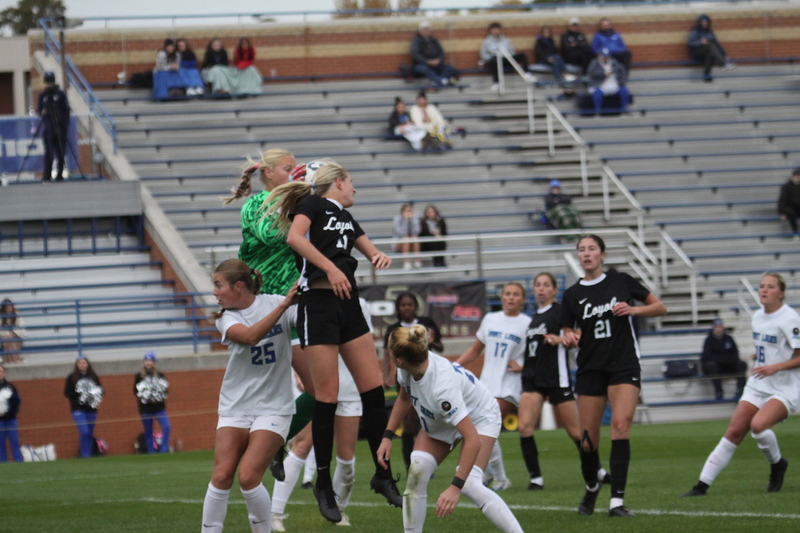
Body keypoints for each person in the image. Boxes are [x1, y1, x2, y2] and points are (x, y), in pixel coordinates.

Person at [265, 161, 402, 522]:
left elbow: (367, 249)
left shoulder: (345, 216)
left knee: (373, 393)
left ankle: (383, 474)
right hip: (318, 306)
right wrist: (331, 267)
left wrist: (376, 255)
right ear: (338, 182)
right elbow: (293, 238)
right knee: (327, 398)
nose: (355, 189)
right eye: (351, 181)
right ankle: (323, 486)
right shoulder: (311, 204)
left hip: (348, 305)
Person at [378, 325, 524, 533]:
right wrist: (387, 436)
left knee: (471, 484)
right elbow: (404, 398)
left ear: (399, 359)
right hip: (442, 417)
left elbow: (472, 440)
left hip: (479, 416)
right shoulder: (405, 370)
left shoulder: (442, 387)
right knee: (417, 472)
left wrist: (455, 487)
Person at [560, 234, 667, 517]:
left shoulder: (620, 280)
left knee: (620, 425)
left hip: (623, 364)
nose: (586, 254)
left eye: (591, 249)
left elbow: (660, 306)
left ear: (602, 255)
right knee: (588, 440)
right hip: (591, 367)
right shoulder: (572, 294)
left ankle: (617, 502)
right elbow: (568, 330)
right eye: (581, 250)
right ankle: (593, 487)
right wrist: (570, 337)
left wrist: (634, 309)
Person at [201, 259, 298, 533]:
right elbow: (250, 337)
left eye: (218, 285)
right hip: (235, 405)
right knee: (221, 476)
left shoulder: (276, 302)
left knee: (248, 476)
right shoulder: (227, 317)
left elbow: (308, 321)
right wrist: (285, 306)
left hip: (275, 406)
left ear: (238, 286)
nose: (215, 292)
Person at [682, 272, 800, 497]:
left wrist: (775, 367)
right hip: (758, 384)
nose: (764, 290)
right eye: (761, 286)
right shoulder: (757, 317)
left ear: (781, 293)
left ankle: (777, 464)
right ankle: (701, 486)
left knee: (757, 426)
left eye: (770, 287)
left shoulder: (789, 318)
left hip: (783, 388)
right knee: (734, 431)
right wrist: (762, 359)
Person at [272, 298, 373, 531]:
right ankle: (274, 513)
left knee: (347, 461)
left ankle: (338, 510)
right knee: (301, 446)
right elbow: (300, 341)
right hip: (321, 387)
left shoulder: (360, 304)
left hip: (349, 389)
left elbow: (366, 346)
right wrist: (302, 372)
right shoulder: (312, 302)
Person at [518, 273, 609, 490]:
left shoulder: (560, 311)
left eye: (546, 285)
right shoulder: (532, 318)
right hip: (532, 378)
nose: (541, 289)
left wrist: (560, 340)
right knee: (524, 427)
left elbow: (578, 336)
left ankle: (597, 471)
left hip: (556, 377)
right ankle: (535, 479)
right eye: (537, 285)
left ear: (554, 290)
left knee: (577, 432)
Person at [456, 282, 531, 491]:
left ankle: (500, 478)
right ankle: (489, 472)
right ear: (502, 296)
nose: (511, 298)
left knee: (484, 426)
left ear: (523, 300)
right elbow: (475, 350)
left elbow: (537, 355)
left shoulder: (527, 324)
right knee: (476, 428)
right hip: (486, 384)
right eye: (507, 294)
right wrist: (454, 366)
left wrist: (522, 366)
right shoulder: (490, 319)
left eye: (516, 295)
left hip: (508, 385)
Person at [382, 292, 444, 471]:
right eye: (403, 305)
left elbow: (440, 345)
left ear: (415, 306)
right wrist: (388, 374)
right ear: (398, 308)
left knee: (426, 421)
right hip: (406, 376)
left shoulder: (426, 324)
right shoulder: (393, 329)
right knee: (408, 422)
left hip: (427, 376)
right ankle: (411, 465)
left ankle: (425, 463)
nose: (407, 308)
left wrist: (432, 341)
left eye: (410, 305)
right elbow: (388, 352)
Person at [64, 355, 103, 458]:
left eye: (84, 362)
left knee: (90, 433)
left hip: (91, 409)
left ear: (88, 364)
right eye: (80, 363)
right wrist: (80, 395)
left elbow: (100, 390)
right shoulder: (71, 377)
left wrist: (93, 395)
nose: (82, 365)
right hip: (78, 409)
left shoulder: (93, 376)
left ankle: (88, 455)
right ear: (77, 365)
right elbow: (67, 392)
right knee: (84, 431)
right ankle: (84, 454)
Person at [134, 351, 171, 454]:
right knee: (148, 431)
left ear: (154, 362)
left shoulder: (160, 375)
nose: (148, 363)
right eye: (146, 360)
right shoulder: (139, 376)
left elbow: (165, 389)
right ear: (144, 362)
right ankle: (151, 452)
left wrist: (156, 396)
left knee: (167, 427)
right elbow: (135, 391)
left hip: (159, 408)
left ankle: (163, 449)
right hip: (146, 409)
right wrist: (146, 395)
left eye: (150, 360)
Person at [701, 318, 746, 401]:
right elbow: (707, 356)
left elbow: (735, 352)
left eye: (720, 327)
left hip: (729, 365)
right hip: (717, 367)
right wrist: (720, 360)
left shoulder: (729, 338)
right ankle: (719, 391)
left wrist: (729, 360)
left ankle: (740, 390)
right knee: (711, 366)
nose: (719, 329)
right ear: (713, 328)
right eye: (717, 327)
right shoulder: (709, 340)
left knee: (742, 364)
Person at [479, 22, 532, 92]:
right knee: (495, 61)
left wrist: (507, 55)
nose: (496, 31)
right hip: (495, 60)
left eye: (497, 29)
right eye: (494, 29)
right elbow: (483, 54)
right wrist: (491, 58)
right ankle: (496, 83)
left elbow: (512, 51)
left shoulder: (506, 41)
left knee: (522, 55)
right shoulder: (487, 42)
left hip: (506, 59)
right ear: (491, 31)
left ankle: (527, 73)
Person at [37, 71, 70, 182]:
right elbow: (39, 110)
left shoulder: (60, 94)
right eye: (47, 82)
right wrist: (43, 112)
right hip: (48, 128)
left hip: (60, 128)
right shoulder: (42, 96)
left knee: (60, 152)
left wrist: (64, 125)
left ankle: (60, 174)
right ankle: (47, 175)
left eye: (50, 82)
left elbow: (66, 111)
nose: (49, 85)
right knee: (49, 152)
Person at [411, 21, 459, 89]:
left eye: (428, 29)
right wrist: (427, 61)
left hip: (437, 64)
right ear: (420, 31)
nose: (426, 31)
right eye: (424, 29)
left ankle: (436, 83)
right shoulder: (416, 41)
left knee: (450, 69)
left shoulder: (434, 40)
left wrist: (438, 60)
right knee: (423, 69)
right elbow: (415, 54)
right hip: (422, 64)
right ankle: (441, 81)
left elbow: (442, 53)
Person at [689, 14, 735, 82]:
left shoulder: (709, 32)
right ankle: (722, 64)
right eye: (703, 22)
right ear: (700, 22)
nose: (705, 24)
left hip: (706, 51)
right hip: (697, 51)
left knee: (710, 53)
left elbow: (717, 43)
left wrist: (724, 54)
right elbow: (691, 42)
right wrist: (700, 42)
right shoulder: (695, 31)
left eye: (706, 22)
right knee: (709, 46)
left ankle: (706, 75)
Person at [587, 50, 630, 115]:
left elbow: (622, 72)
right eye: (603, 57)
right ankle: (598, 111)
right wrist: (603, 74)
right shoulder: (594, 63)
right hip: (600, 85)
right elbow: (591, 73)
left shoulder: (615, 63)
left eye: (607, 57)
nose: (605, 58)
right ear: (599, 56)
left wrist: (621, 81)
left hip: (614, 84)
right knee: (597, 93)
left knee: (624, 90)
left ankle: (624, 109)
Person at [0, 364, 23, 463]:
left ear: (4, 373)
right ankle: (3, 462)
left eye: (1, 371)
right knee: (1, 443)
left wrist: (9, 411)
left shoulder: (10, 387)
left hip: (11, 419)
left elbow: (16, 401)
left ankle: (18, 461)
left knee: (14, 441)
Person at [393, 203, 422, 270]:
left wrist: (412, 221)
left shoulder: (414, 219)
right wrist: (405, 221)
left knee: (415, 238)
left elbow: (417, 232)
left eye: (409, 211)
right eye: (406, 211)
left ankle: (417, 261)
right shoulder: (397, 219)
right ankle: (406, 262)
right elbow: (401, 233)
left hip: (411, 243)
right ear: (402, 212)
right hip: (399, 243)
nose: (408, 213)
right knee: (405, 238)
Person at [777, 168, 800, 240]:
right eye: (796, 176)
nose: (797, 178)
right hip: (791, 208)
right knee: (791, 213)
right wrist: (781, 212)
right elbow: (782, 200)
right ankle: (795, 233)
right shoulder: (786, 187)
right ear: (792, 177)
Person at [1, 298, 25, 364]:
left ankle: (8, 362)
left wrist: (11, 335)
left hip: (16, 339)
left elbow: (21, 330)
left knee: (9, 341)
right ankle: (17, 361)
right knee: (8, 341)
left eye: (10, 307)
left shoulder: (17, 315)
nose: (9, 309)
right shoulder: (1, 317)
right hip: (4, 339)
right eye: (7, 307)